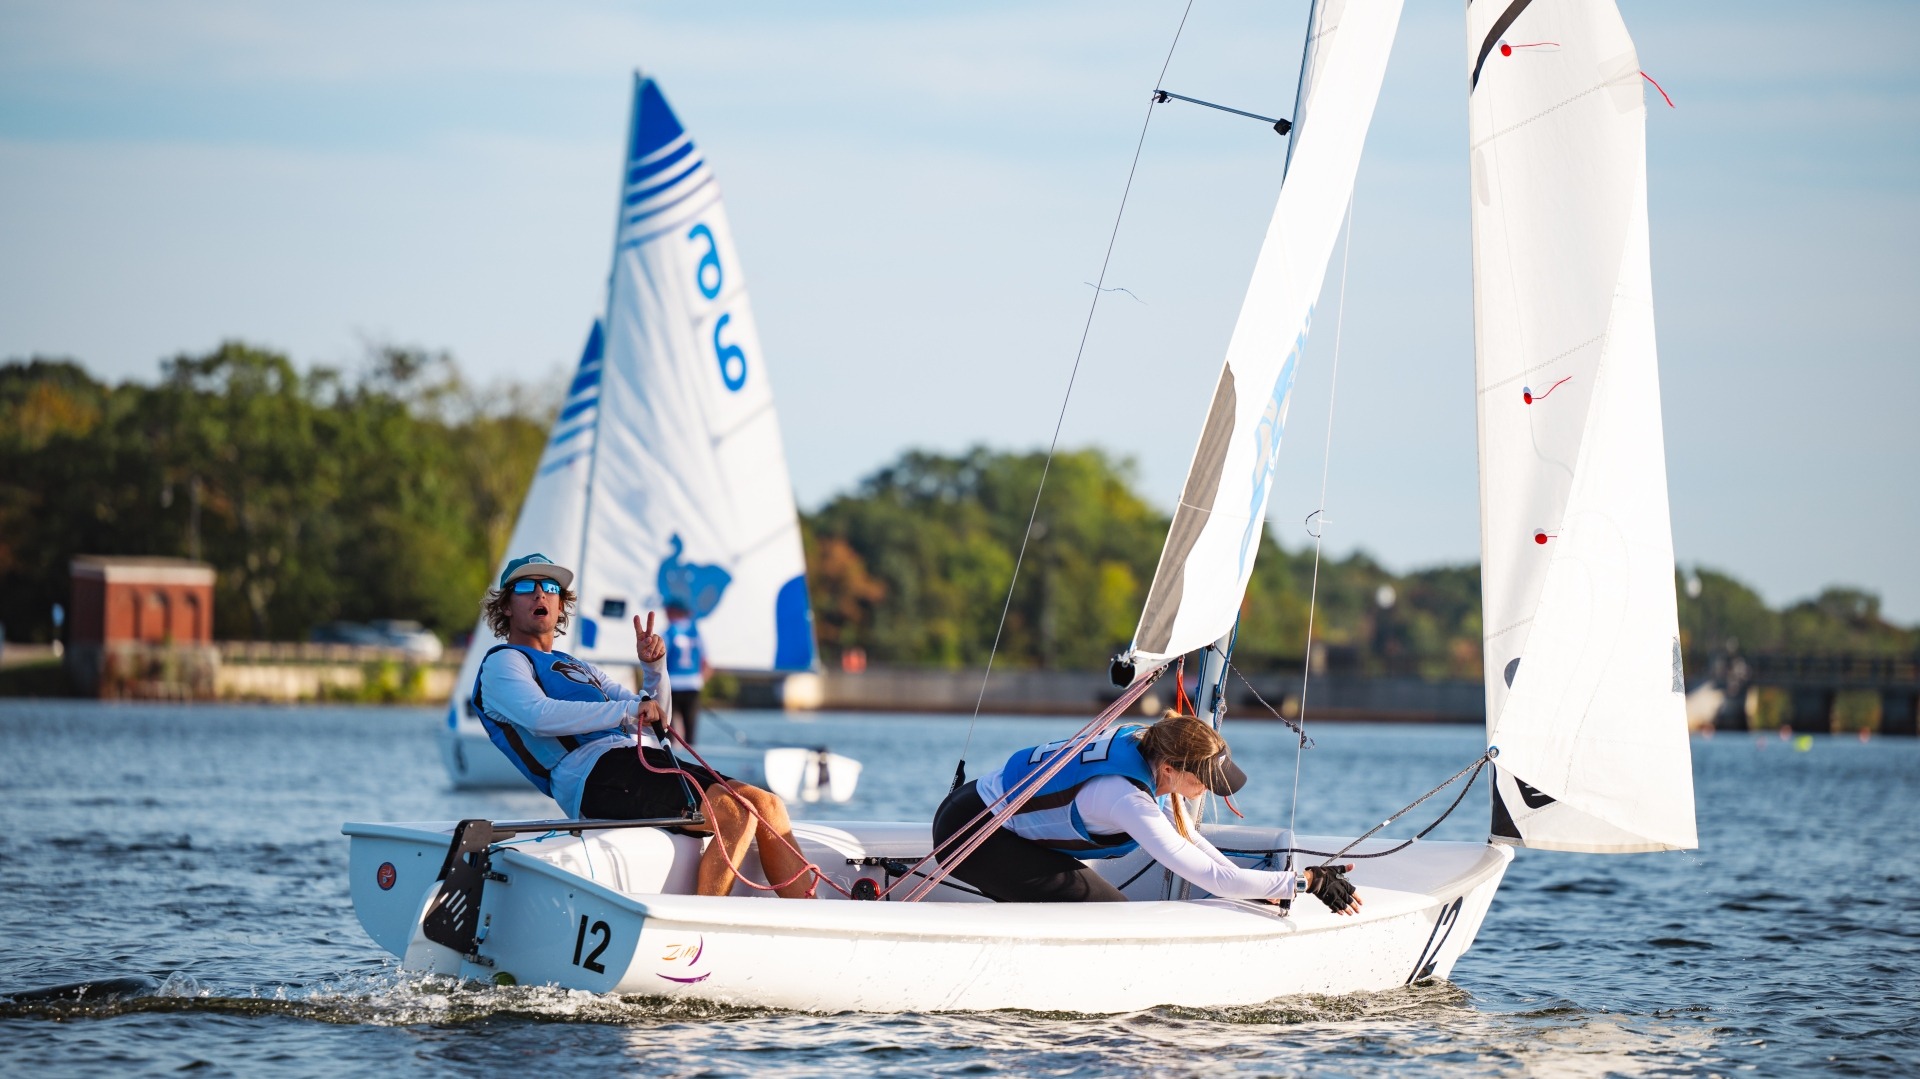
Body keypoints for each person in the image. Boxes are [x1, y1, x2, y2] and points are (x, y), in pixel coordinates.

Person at [472, 553, 814, 899]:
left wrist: (654, 669)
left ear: (561, 606)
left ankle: (811, 922)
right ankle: (702, 930)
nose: (540, 594)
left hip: (636, 760)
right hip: (592, 776)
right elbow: (538, 715)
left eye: (550, 587)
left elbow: (655, 721)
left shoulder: (578, 666)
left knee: (768, 806)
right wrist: (628, 711)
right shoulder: (503, 663)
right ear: (506, 607)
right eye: (527, 587)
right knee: (734, 813)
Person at [931, 711, 1361, 912]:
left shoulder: (1151, 743)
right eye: (1201, 782)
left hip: (976, 808)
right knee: (1110, 913)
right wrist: (1306, 883)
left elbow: (1191, 841)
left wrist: (1270, 885)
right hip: (970, 836)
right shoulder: (1126, 799)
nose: (1203, 792)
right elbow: (1211, 877)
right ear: (1172, 769)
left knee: (1089, 897)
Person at [661, 602, 707, 745]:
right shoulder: (695, 632)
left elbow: (660, 660)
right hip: (692, 685)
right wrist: (701, 680)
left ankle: (670, 759)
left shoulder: (669, 632)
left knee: (668, 727)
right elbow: (705, 661)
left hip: (673, 685)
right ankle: (692, 759)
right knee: (690, 730)